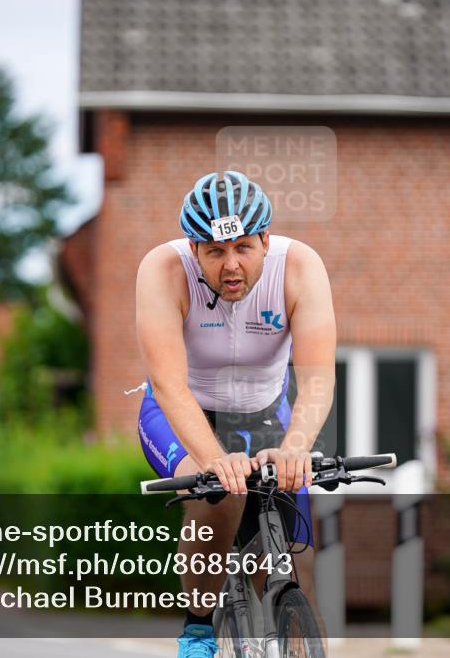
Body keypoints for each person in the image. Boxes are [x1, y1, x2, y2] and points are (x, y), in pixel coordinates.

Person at [135, 171, 336, 657]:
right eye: (214, 252)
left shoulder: (299, 266)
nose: (230, 266)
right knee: (218, 497)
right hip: (182, 412)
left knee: (293, 565)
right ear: (193, 248)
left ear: (267, 240)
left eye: (244, 248)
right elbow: (168, 383)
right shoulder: (163, 269)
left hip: (267, 412)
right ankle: (199, 630)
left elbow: (317, 378)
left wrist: (294, 450)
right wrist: (212, 458)